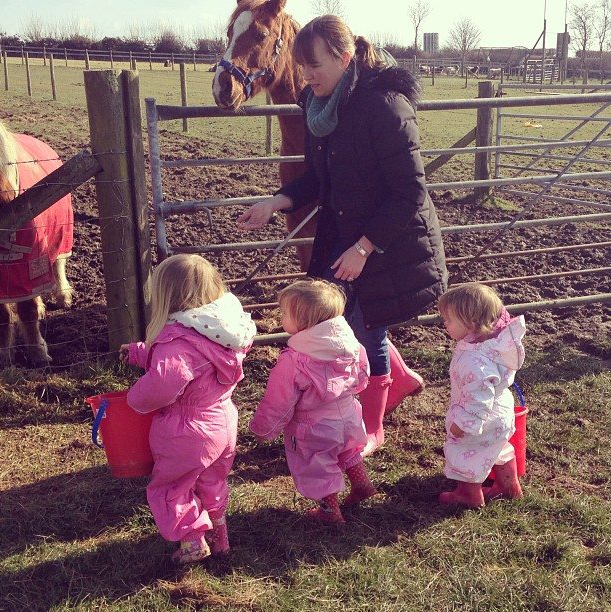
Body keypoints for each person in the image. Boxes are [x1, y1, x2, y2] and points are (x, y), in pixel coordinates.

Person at [237, 15, 448, 457]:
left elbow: (410, 192)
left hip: (389, 236)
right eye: (303, 65)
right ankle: (401, 379)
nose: (307, 75)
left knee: (366, 324)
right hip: (347, 229)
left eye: (315, 65)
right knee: (347, 319)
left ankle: (372, 427)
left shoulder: (383, 106)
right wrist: (276, 202)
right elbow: (319, 177)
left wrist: (364, 248)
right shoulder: (319, 109)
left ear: (345, 57)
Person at [119, 254, 256, 563]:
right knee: (212, 480)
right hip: (222, 420)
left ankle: (192, 541)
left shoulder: (177, 340)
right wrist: (142, 353)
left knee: (173, 486)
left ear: (167, 296)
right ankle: (220, 536)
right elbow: (193, 360)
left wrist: (135, 398)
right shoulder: (220, 331)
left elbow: (170, 376)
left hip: (186, 429)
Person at [249, 279, 377, 524]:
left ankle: (330, 512)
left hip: (314, 426)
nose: (280, 317)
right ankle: (362, 484)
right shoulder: (350, 344)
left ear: (303, 322)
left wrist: (263, 429)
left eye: (284, 313)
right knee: (347, 449)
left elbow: (279, 402)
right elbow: (363, 372)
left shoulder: (294, 360)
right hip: (348, 414)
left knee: (317, 464)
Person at [437, 283, 526, 508]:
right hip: (501, 412)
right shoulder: (491, 345)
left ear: (471, 323)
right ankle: (508, 487)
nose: (444, 324)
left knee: (465, 452)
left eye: (449, 320)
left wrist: (465, 424)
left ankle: (468, 495)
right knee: (500, 447)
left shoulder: (473, 362)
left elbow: (478, 398)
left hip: (480, 418)